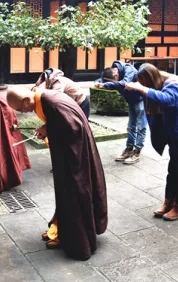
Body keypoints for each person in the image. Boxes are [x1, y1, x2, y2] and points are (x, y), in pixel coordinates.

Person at [6, 87, 107, 261]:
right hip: (72, 154)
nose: (22, 112)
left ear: (27, 100)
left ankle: (79, 241)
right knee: (65, 194)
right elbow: (63, 121)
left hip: (75, 158)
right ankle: (61, 229)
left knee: (73, 194)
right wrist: (47, 127)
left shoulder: (51, 103)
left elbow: (73, 129)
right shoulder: (46, 99)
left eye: (21, 108)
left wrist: (49, 130)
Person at [125, 64, 178, 221]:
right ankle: (168, 202)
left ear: (151, 80)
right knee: (173, 169)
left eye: (145, 84)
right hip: (176, 134)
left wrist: (142, 89)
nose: (144, 87)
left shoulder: (173, 85)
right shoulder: (158, 85)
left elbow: (168, 99)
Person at [94, 60, 146, 164]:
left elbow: (123, 84)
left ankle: (137, 151)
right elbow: (103, 79)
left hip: (140, 99)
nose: (115, 82)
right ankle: (129, 149)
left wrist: (105, 85)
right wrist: (97, 82)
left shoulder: (129, 69)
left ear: (116, 74)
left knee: (141, 127)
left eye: (114, 80)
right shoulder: (112, 72)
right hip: (131, 100)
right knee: (131, 126)